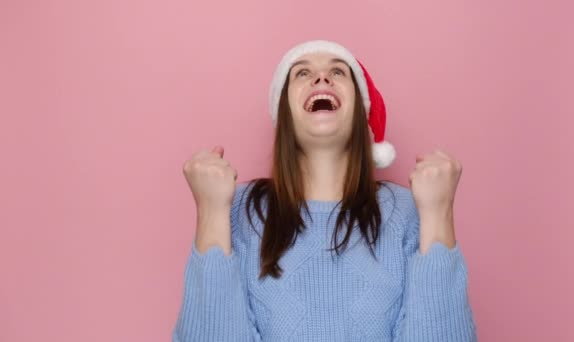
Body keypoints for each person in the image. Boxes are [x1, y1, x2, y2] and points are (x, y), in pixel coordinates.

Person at [172, 40, 478, 341]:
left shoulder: (410, 211)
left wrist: (439, 213)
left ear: (361, 111)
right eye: (302, 73)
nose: (321, 77)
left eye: (339, 72)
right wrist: (211, 213)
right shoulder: (237, 209)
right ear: (284, 112)